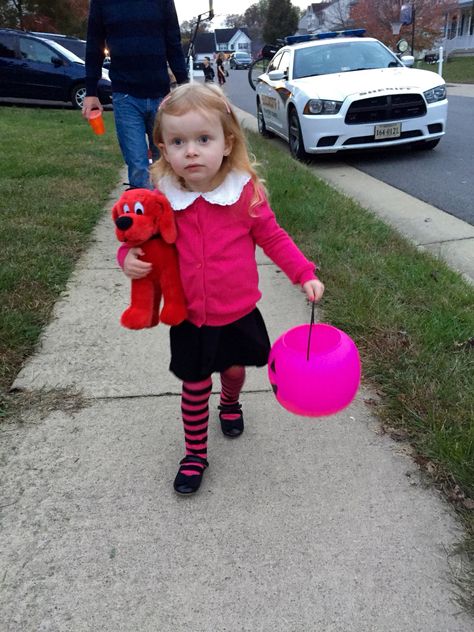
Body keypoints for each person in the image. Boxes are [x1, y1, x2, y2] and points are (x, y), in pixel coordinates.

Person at [119, 83, 325, 495]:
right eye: (178, 141)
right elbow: (136, 239)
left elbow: (274, 238)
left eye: (203, 139)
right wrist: (127, 261)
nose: (191, 151)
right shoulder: (163, 198)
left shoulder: (244, 194)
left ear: (227, 143)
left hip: (238, 311)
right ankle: (195, 452)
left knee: (233, 370)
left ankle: (230, 402)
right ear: (162, 148)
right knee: (194, 384)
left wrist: (304, 274)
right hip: (190, 316)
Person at [82, 0, 188, 190]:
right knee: (138, 165)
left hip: (161, 97)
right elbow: (94, 46)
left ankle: (167, 213)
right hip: (126, 97)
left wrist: (185, 85)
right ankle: (144, 217)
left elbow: (173, 42)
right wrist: (91, 92)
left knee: (166, 162)